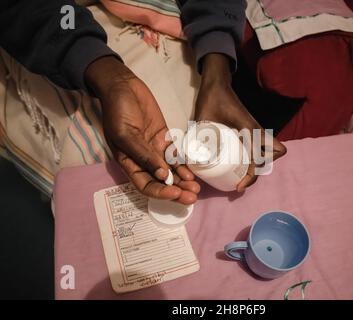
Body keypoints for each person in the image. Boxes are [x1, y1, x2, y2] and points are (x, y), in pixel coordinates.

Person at [0, 0, 286, 205]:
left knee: (194, 161)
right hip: (53, 24)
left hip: (154, 13)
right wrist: (105, 74)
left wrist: (217, 72)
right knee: (99, 186)